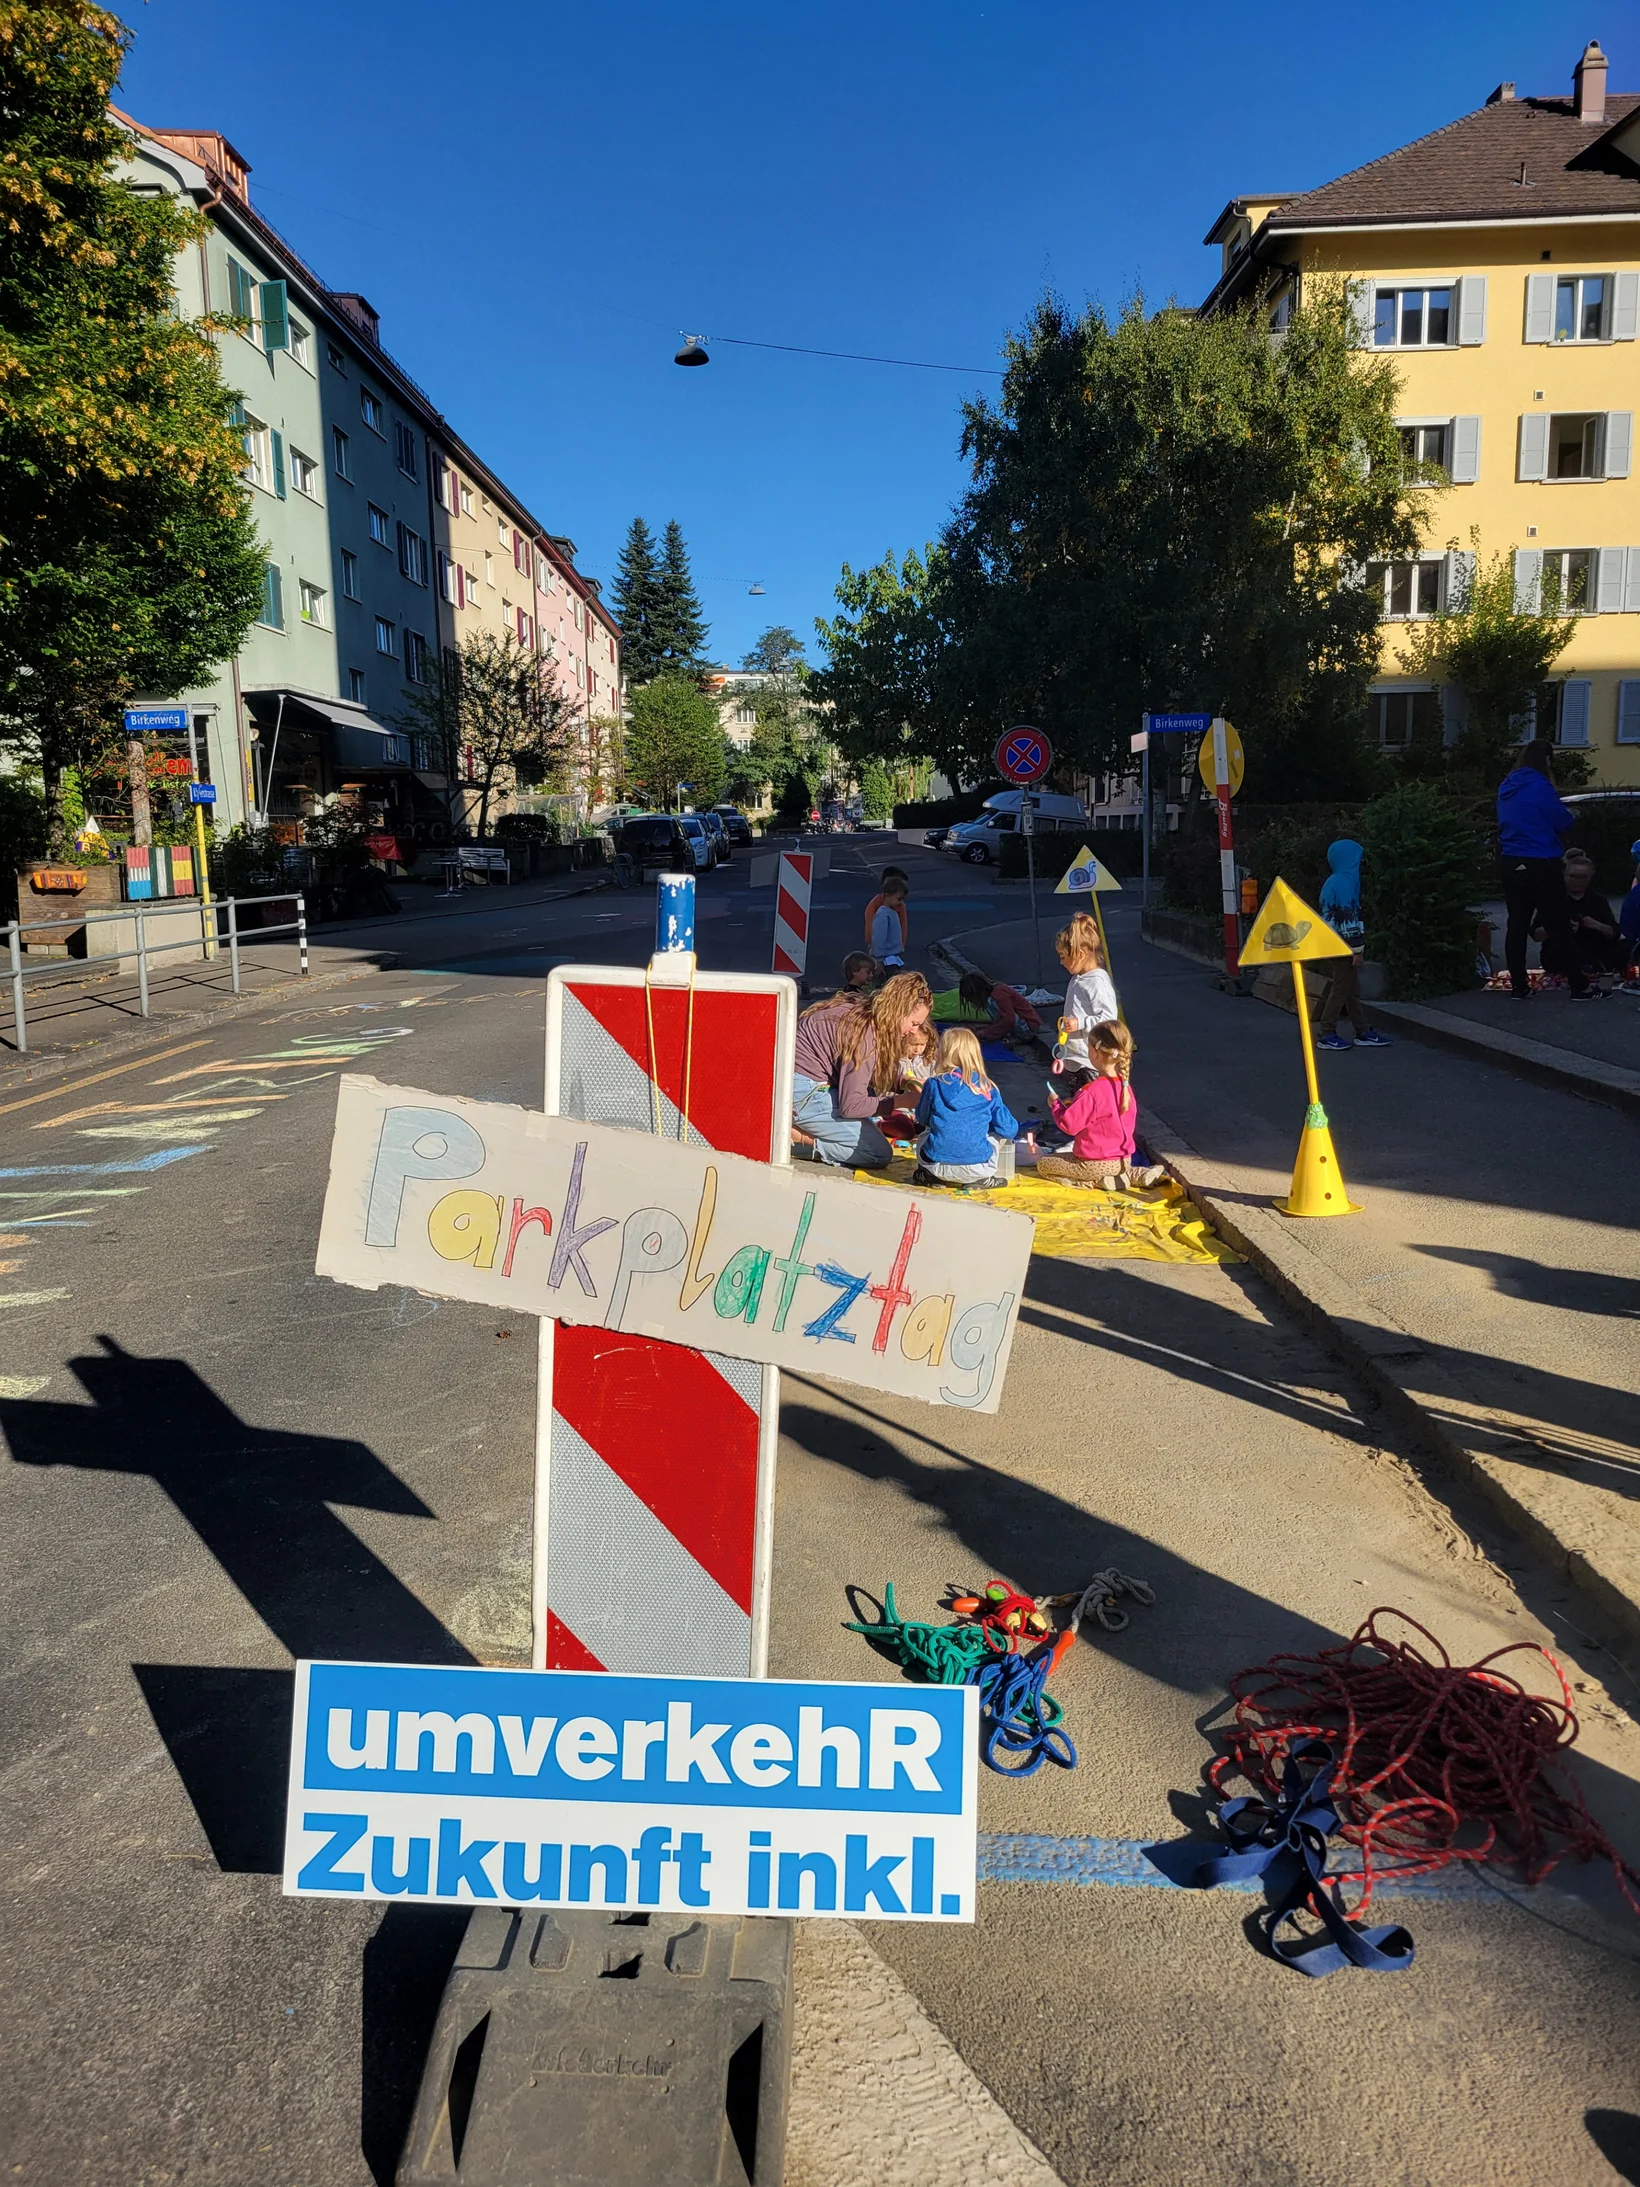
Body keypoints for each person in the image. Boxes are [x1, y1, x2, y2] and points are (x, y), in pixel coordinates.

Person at [790, 970, 937, 1168]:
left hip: (795, 1079)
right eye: (914, 1023)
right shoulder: (864, 1036)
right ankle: (797, 1141)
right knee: (877, 1153)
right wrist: (901, 1101)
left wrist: (903, 1081)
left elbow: (867, 1070)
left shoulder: (863, 1012)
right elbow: (852, 1106)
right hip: (802, 1091)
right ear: (898, 1011)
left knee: (869, 1097)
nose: (914, 1031)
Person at [1496, 740, 1591, 999]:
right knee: (1558, 924)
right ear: (1547, 759)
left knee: (1516, 925)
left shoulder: (1507, 786)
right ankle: (1579, 986)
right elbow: (1562, 821)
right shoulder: (1541, 786)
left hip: (1510, 859)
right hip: (1541, 860)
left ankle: (1518, 986)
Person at [1036, 1021, 1165, 1191]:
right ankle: (1135, 1174)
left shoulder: (1092, 1091)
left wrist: (1056, 1105)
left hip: (1093, 1164)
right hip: (1123, 1160)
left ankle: (1093, 1182)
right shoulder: (1125, 1087)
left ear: (1096, 1053)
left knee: (1044, 1164)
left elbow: (1070, 1125)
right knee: (1114, 1168)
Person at [910, 1026, 1020, 1190]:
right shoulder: (987, 1088)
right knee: (997, 1134)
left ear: (943, 1053)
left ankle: (930, 1176)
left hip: (936, 1164)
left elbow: (922, 1117)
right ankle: (982, 1180)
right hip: (978, 1167)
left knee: (927, 1130)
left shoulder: (933, 1084)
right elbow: (1009, 1130)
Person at [1315, 839, 1393, 1052]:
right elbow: (1349, 918)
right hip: (1344, 945)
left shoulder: (1333, 881)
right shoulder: (1346, 882)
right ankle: (1327, 1033)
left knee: (1350, 989)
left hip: (1334, 942)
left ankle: (1362, 1030)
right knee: (1342, 989)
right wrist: (1357, 950)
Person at [1536, 852, 1626, 987]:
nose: (1578, 881)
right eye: (1573, 877)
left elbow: (1614, 932)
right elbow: (1536, 934)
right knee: (1558, 949)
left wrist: (1597, 925)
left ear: (1590, 877)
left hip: (1595, 951)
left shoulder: (1598, 900)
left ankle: (1595, 968)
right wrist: (1557, 927)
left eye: (1583, 877)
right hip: (1562, 952)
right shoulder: (1552, 900)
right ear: (1564, 875)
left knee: (1627, 945)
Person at [1052, 912, 1117, 1073]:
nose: (1061, 962)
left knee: (1088, 1098)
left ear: (1080, 955)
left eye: (1063, 956)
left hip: (1090, 1061)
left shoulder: (1097, 982)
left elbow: (1108, 1019)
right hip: (1076, 1057)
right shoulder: (1079, 978)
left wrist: (1080, 1023)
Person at [930, 968, 1043, 1039]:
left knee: (992, 1009)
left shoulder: (998, 995)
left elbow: (1009, 1019)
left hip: (1028, 1028)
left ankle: (1010, 1036)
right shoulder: (995, 993)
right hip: (1020, 1025)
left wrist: (985, 1032)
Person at [863, 868, 910, 960]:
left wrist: (900, 945)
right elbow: (874, 932)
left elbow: (903, 926)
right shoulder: (878, 907)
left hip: (893, 952)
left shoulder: (899, 906)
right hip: (881, 953)